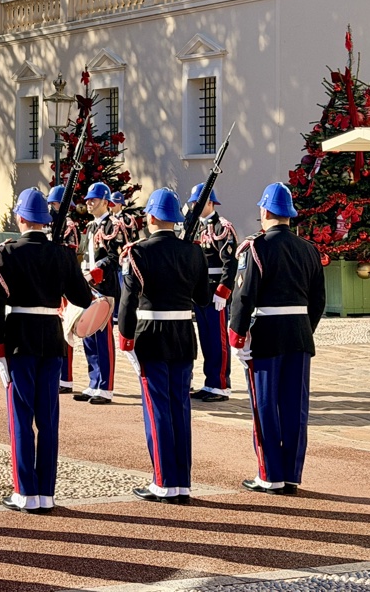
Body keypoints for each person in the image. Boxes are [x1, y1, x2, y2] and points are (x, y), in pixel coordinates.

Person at [0, 188, 95, 514]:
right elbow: (83, 299)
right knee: (47, 418)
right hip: (51, 337)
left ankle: (25, 492)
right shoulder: (62, 254)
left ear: (20, 218)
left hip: (19, 338)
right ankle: (46, 492)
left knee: (21, 417)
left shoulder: (5, 253)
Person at [228, 182, 326, 496]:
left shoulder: (255, 247)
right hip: (299, 333)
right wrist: (304, 328)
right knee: (295, 407)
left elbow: (244, 296)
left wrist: (237, 336)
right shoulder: (308, 249)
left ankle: (270, 475)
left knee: (266, 405)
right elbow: (318, 300)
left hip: (267, 335)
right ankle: (292, 474)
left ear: (266, 211)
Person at [117, 189, 210, 504]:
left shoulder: (138, 252)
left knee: (157, 408)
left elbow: (127, 303)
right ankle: (181, 482)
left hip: (151, 335)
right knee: (180, 408)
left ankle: (163, 482)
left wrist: (126, 339)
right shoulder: (193, 252)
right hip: (183, 334)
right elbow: (203, 298)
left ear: (153, 217)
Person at [187, 184, 238, 402]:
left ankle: (220, 385)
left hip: (216, 292)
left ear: (209, 202)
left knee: (218, 340)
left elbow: (230, 262)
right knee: (206, 340)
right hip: (200, 292)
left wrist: (223, 291)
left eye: (197, 202)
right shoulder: (195, 227)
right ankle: (210, 382)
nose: (193, 206)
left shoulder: (221, 227)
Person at [76, 182, 122, 403]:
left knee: (103, 338)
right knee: (89, 336)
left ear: (105, 201)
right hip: (89, 285)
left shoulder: (113, 225)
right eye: (87, 199)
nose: (89, 203)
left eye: (93, 199)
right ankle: (93, 382)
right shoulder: (91, 226)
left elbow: (116, 256)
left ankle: (105, 387)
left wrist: (97, 271)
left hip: (104, 287)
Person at [46, 185, 78, 395]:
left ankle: (65, 377)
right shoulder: (47, 223)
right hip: (47, 281)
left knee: (64, 330)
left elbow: (69, 254)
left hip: (60, 282)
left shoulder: (68, 225)